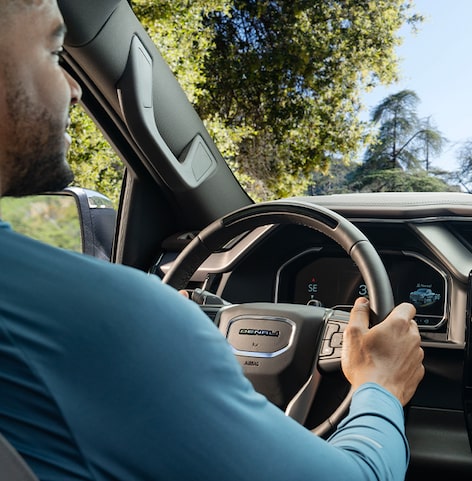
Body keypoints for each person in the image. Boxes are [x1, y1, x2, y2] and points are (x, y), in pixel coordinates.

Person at [0, 1, 424, 480]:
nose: (75, 89)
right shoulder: (107, 321)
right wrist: (380, 384)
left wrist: (173, 350)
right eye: (56, 53)